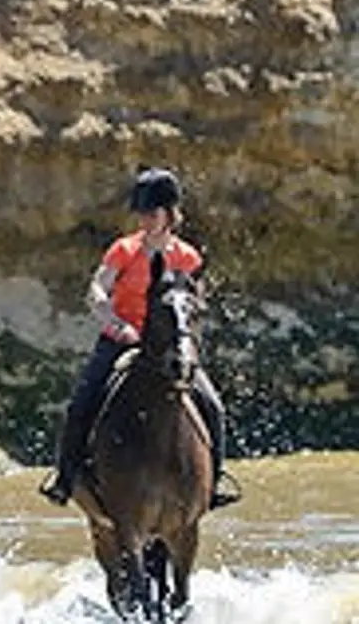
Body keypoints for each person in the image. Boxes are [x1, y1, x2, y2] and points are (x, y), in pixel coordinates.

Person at [39, 167, 241, 510]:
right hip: (121, 339)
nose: (145, 220)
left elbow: (195, 304)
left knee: (214, 407)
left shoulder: (187, 258)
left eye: (152, 213)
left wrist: (186, 339)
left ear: (170, 213)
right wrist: (116, 323)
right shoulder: (124, 250)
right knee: (81, 403)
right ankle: (65, 477)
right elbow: (97, 290)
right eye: (142, 213)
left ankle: (214, 483)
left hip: (168, 344)